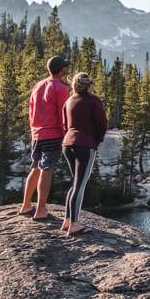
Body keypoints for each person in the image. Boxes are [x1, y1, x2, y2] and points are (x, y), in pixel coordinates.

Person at [18, 55, 71, 219]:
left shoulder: (38, 86)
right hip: (53, 133)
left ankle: (26, 206)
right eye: (65, 67)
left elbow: (31, 110)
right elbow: (63, 115)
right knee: (46, 171)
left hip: (37, 134)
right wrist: (66, 135)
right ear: (62, 70)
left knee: (35, 168)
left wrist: (34, 130)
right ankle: (41, 210)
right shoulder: (61, 88)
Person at [60, 71, 107, 236]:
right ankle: (74, 224)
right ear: (89, 85)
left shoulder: (68, 101)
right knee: (80, 185)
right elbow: (102, 123)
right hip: (85, 146)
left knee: (75, 183)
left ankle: (67, 220)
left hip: (67, 144)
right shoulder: (93, 100)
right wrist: (97, 140)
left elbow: (65, 125)